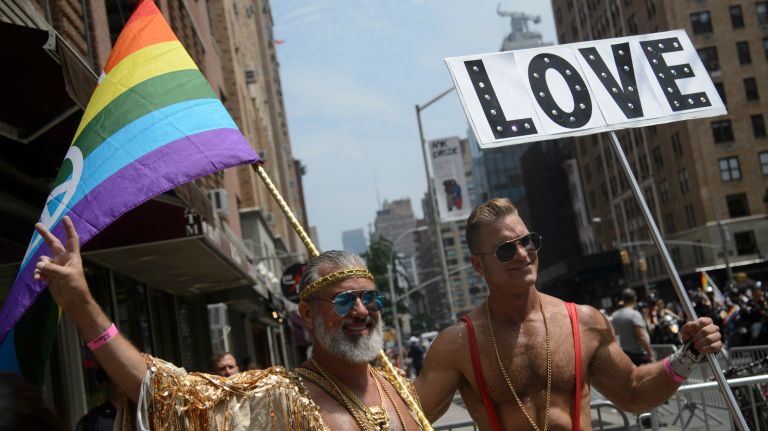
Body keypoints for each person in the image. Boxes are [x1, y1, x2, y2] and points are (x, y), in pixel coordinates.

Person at [33, 216, 425, 430]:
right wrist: (82, 305)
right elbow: (168, 394)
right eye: (344, 300)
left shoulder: (400, 388)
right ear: (307, 314)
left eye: (369, 297)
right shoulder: (279, 397)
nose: (361, 311)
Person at [415, 198, 723, 430]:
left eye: (527, 241)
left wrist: (690, 353)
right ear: (478, 265)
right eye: (505, 250)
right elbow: (408, 419)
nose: (523, 254)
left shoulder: (584, 323)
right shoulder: (458, 345)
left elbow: (633, 393)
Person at [611, 288, 654, 366]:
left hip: (625, 354)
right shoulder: (634, 314)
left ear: (623, 299)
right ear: (635, 298)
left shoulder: (615, 315)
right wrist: (650, 355)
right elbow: (642, 337)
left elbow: (614, 334)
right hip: (639, 355)